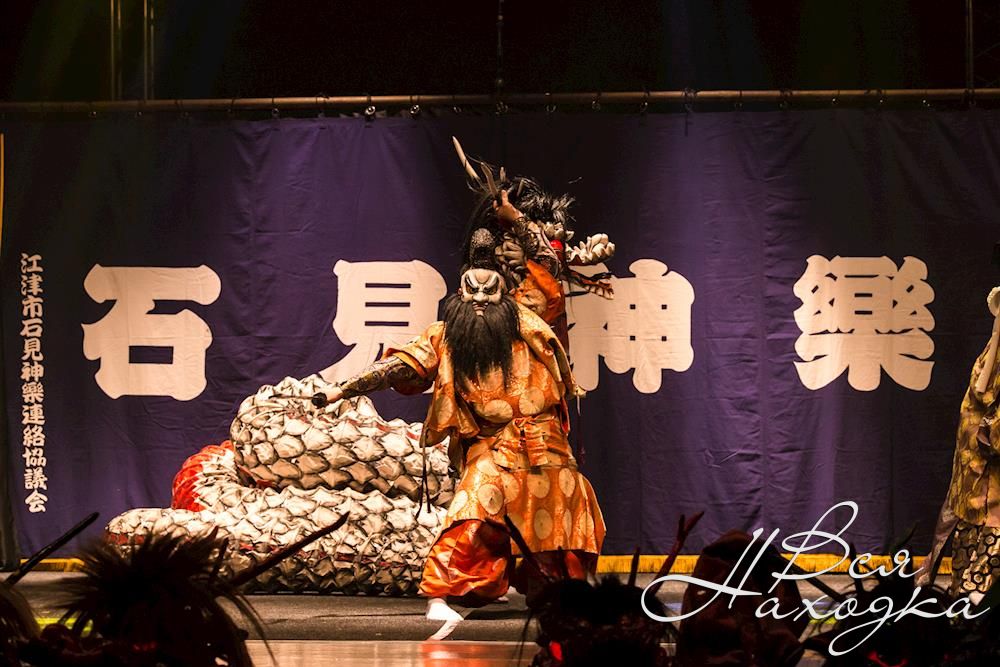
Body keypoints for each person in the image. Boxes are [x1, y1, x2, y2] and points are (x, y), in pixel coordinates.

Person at [314, 225, 606, 634]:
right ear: (459, 292)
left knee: (562, 518)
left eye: (490, 291)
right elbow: (399, 366)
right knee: (473, 512)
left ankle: (562, 594)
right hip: (493, 444)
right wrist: (343, 388)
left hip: (545, 440)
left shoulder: (531, 322)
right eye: (473, 291)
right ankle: (440, 595)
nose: (481, 299)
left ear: (505, 293)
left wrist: (519, 226)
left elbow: (548, 280)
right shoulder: (445, 336)